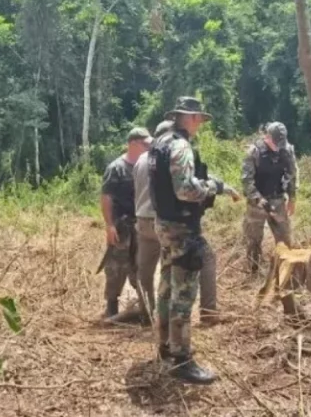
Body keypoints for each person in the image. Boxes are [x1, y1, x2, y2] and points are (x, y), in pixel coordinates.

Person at [149, 97, 237, 384]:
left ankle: (164, 347)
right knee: (183, 295)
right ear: (190, 118)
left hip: (163, 224)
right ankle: (182, 360)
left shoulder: (159, 144)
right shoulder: (180, 145)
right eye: (198, 117)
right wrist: (212, 187)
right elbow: (186, 190)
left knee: (165, 288)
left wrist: (218, 184)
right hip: (182, 229)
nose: (200, 123)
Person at [134, 121, 225, 326]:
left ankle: (148, 314)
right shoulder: (177, 150)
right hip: (173, 222)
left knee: (150, 272)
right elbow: (184, 187)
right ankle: (206, 315)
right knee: (193, 269)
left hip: (147, 221)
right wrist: (212, 187)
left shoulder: (144, 160)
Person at [100, 128, 152, 318]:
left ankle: (145, 306)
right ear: (133, 143)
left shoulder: (146, 166)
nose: (148, 147)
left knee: (141, 265)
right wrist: (109, 225)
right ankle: (111, 306)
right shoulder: (116, 168)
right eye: (145, 144)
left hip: (141, 225)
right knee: (116, 266)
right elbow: (106, 197)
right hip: (121, 226)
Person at [241, 122, 298, 274]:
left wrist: (292, 198)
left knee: (284, 236)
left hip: (278, 199)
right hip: (257, 203)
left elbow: (292, 175)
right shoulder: (254, 152)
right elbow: (247, 181)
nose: (278, 147)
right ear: (267, 137)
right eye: (275, 143)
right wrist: (259, 200)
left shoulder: (287, 150)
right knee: (254, 239)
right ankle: (254, 270)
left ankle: (286, 270)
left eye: (281, 143)